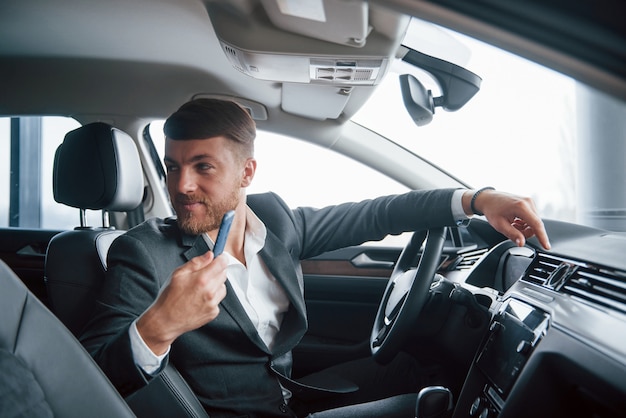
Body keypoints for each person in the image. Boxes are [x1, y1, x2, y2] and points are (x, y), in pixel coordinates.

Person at [80, 98, 551, 418]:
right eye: (172, 166)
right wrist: (160, 325)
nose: (182, 186)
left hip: (289, 396)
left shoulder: (276, 220)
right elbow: (89, 378)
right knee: (438, 408)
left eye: (203, 166)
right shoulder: (143, 253)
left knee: (417, 368)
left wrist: (478, 199)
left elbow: (375, 214)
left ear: (246, 172)